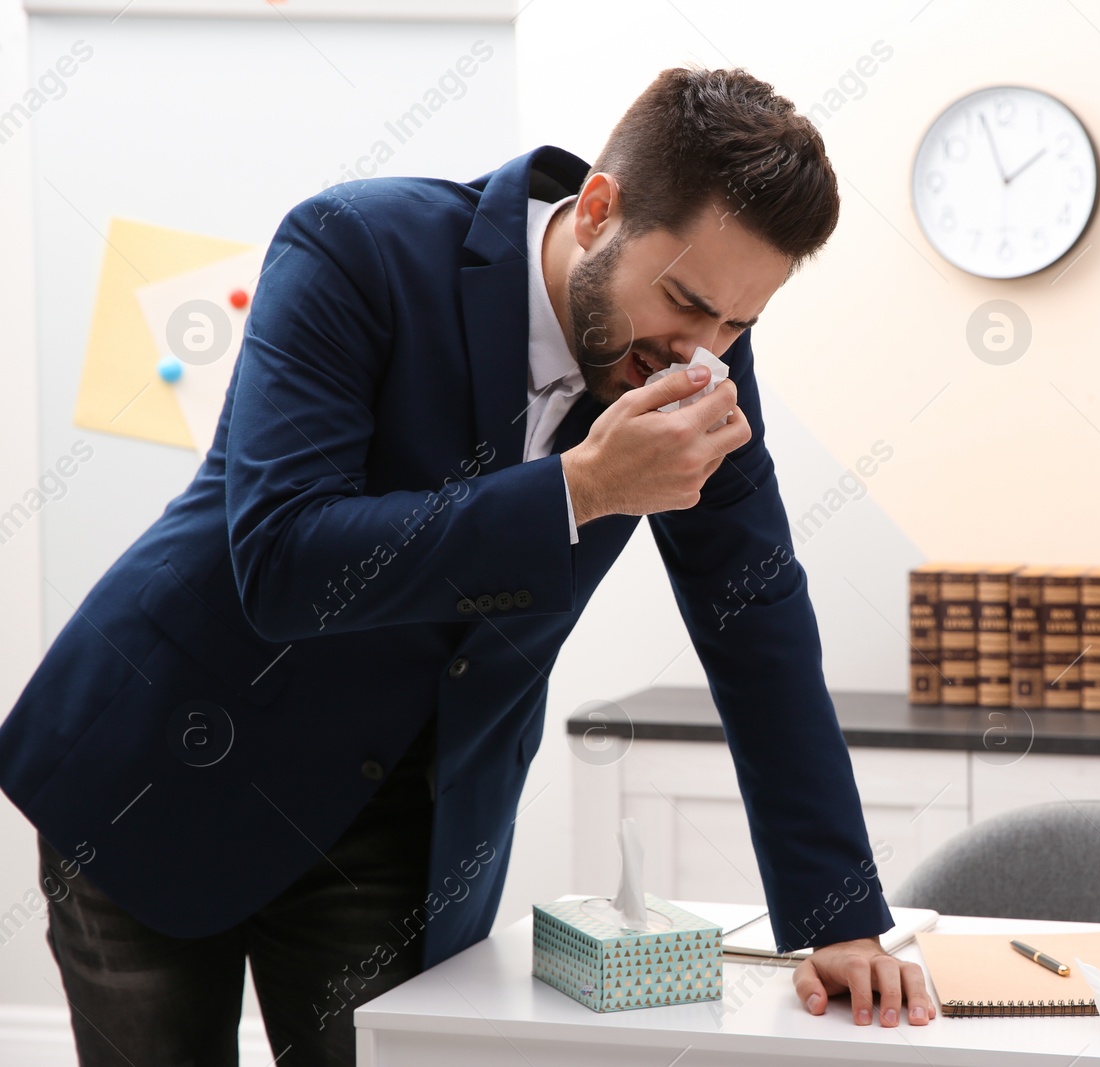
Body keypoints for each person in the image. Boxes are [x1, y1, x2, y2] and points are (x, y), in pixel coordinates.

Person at [0, 65, 934, 1066]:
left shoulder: (691, 359)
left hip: (403, 823)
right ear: (599, 211)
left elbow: (754, 614)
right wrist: (576, 489)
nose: (702, 352)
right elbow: (282, 557)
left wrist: (836, 910)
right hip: (163, 763)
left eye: (738, 325)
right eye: (685, 301)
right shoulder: (354, 246)